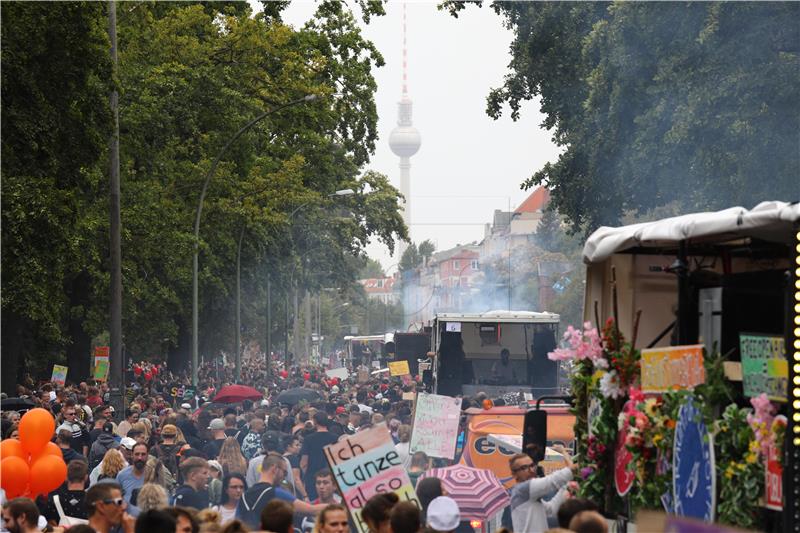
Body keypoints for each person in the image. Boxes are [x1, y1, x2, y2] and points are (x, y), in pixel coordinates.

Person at [238, 453, 324, 529]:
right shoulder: (275, 493)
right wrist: (336, 508)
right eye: (284, 473)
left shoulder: (244, 496)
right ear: (275, 469)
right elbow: (312, 510)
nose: (284, 477)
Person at [508, 445, 576, 533]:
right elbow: (556, 479)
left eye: (532, 465)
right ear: (514, 474)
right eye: (524, 468)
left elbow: (551, 510)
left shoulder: (527, 497)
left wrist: (567, 486)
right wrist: (564, 454)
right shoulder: (522, 489)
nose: (531, 470)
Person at [299, 412, 338, 501]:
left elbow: (304, 463)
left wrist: (303, 479)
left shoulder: (308, 439)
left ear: (315, 422)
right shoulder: (335, 438)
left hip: (312, 478)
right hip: (331, 478)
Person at [40, 460, 88, 525]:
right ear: (86, 477)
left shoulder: (54, 501)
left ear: (66, 477)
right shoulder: (94, 501)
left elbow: (42, 527)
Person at [116, 442, 150, 512]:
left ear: (147, 455)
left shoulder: (154, 475)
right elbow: (116, 498)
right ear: (132, 455)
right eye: (137, 454)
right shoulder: (122, 475)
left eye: (143, 454)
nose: (140, 458)